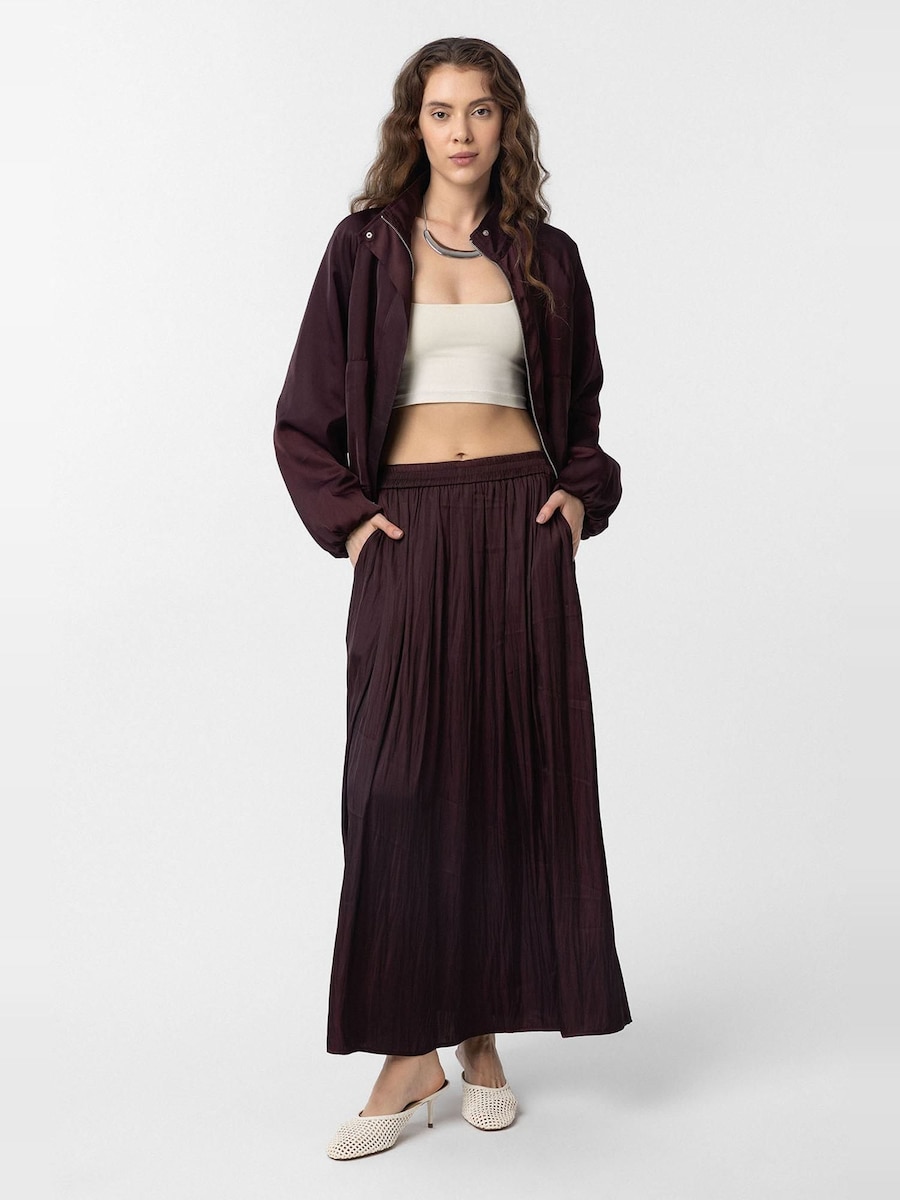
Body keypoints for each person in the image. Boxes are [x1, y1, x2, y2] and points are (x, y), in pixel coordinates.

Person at [273, 36, 631, 1160]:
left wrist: (577, 498)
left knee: (504, 782)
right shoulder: (365, 247)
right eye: (441, 111)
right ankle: (410, 1050)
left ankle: (476, 1041)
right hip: (410, 530)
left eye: (480, 109)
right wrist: (350, 519)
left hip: (519, 525)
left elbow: (582, 412)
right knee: (397, 787)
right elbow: (304, 413)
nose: (461, 131)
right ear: (413, 126)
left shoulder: (548, 255)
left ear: (504, 122)